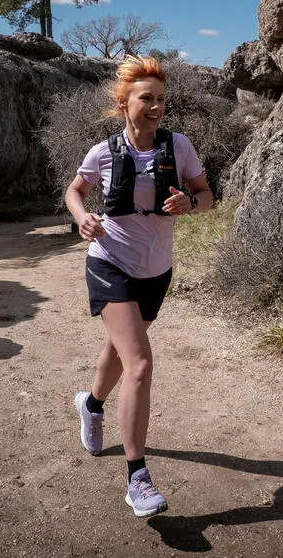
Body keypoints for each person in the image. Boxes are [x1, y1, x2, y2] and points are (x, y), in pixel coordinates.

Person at [64, 55, 213, 517]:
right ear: (124, 101)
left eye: (162, 99)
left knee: (120, 348)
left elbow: (208, 196)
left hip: (156, 270)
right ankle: (138, 478)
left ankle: (91, 404)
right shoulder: (104, 151)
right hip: (110, 263)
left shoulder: (179, 146)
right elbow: (74, 191)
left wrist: (190, 203)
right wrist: (82, 217)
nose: (156, 107)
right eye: (146, 98)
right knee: (141, 363)